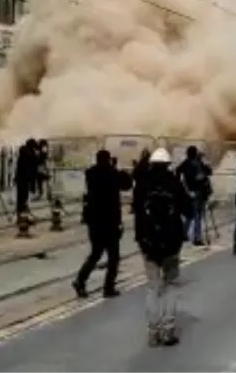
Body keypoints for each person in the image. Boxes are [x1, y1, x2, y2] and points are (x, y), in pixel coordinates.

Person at [135, 147, 190, 347]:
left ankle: (153, 331)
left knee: (153, 288)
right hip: (171, 244)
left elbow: (137, 212)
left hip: (148, 243)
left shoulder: (142, 185)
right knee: (172, 286)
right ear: (168, 164)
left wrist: (142, 238)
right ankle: (168, 329)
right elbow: (187, 208)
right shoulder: (174, 183)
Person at [73, 149, 132, 299]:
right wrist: (115, 167)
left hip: (95, 221)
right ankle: (108, 287)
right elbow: (127, 184)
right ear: (108, 160)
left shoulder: (91, 174)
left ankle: (80, 280)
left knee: (95, 254)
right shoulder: (112, 174)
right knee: (114, 257)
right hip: (110, 222)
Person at [175, 146, 212, 246]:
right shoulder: (192, 164)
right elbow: (208, 172)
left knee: (191, 215)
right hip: (195, 192)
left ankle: (184, 234)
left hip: (193, 192)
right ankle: (197, 238)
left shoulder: (189, 163)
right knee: (196, 216)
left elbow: (209, 172)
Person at [14, 139, 37, 216]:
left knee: (22, 198)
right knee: (22, 198)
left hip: (22, 179)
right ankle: (21, 217)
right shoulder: (27, 154)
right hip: (23, 179)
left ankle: (22, 216)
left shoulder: (25, 153)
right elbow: (31, 167)